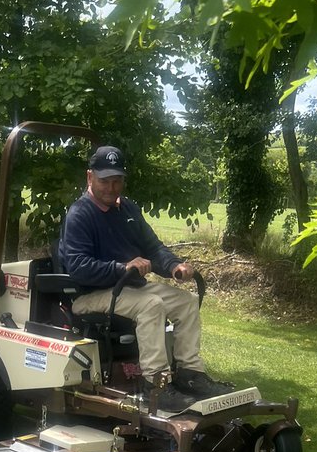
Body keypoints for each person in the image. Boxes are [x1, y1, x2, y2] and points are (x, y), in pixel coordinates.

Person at [59, 145, 233, 411]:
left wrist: (174, 266)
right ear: (89, 177)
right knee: (151, 304)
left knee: (185, 301)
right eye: (105, 180)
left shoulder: (128, 210)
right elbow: (78, 267)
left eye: (117, 180)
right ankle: (158, 384)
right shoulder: (80, 214)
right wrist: (122, 267)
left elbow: (153, 247)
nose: (111, 187)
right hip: (89, 295)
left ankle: (190, 374)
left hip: (129, 289)